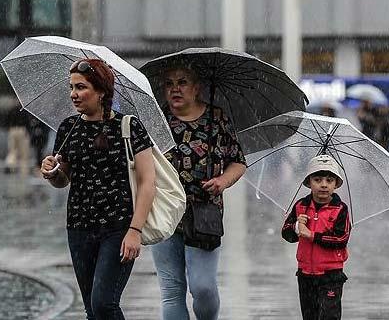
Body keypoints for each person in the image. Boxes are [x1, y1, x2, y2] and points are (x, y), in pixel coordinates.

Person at [40, 59, 156, 319]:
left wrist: (135, 231)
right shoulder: (69, 128)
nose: (73, 94)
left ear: (101, 90)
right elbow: (63, 180)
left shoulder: (129, 127)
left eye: (81, 87)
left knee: (104, 303)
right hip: (79, 228)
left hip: (118, 228)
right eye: (71, 87)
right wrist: (53, 172)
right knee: (92, 309)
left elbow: (148, 181)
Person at [150, 68, 246, 320]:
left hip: (204, 214)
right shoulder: (155, 119)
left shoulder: (216, 118)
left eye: (183, 83)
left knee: (202, 287)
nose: (175, 88)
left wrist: (223, 181)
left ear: (197, 88)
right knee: (172, 290)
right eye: (169, 83)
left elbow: (238, 162)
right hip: (164, 212)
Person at [282, 154, 351, 320]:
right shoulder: (300, 206)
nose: (324, 185)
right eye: (318, 180)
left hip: (331, 275)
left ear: (336, 184)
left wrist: (311, 235)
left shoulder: (340, 209)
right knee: (310, 316)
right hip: (305, 274)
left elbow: (341, 239)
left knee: (329, 316)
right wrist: (297, 227)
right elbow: (286, 233)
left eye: (329, 180)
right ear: (309, 182)